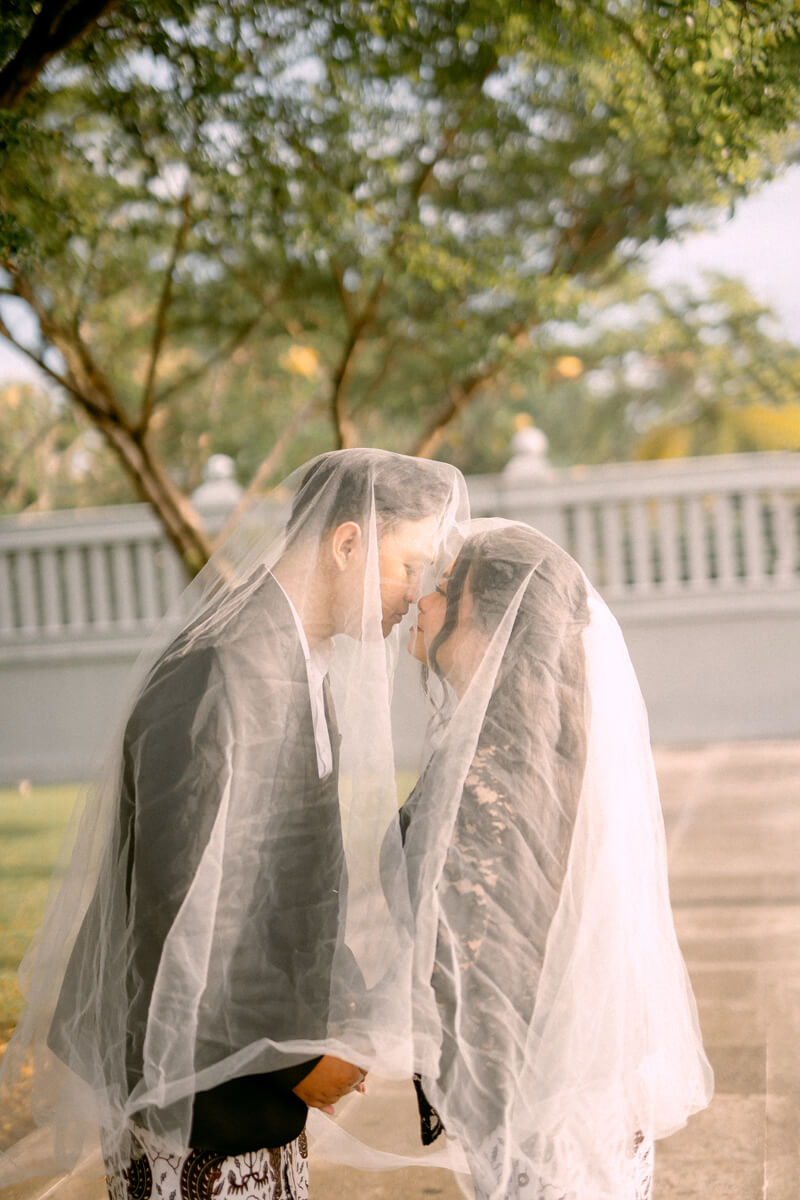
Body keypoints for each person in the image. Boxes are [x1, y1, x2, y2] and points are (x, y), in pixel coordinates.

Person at [0, 449, 468, 1200]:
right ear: (347, 543)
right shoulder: (222, 669)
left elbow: (287, 875)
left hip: (253, 1077)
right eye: (410, 566)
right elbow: (180, 903)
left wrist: (337, 1011)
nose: (416, 594)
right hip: (199, 1094)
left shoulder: (300, 657)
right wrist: (296, 1061)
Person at [398, 519, 713, 1200]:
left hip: (535, 1111)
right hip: (577, 1099)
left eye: (447, 589)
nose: (422, 600)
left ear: (497, 623)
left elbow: (482, 968)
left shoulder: (488, 775)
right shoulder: (544, 748)